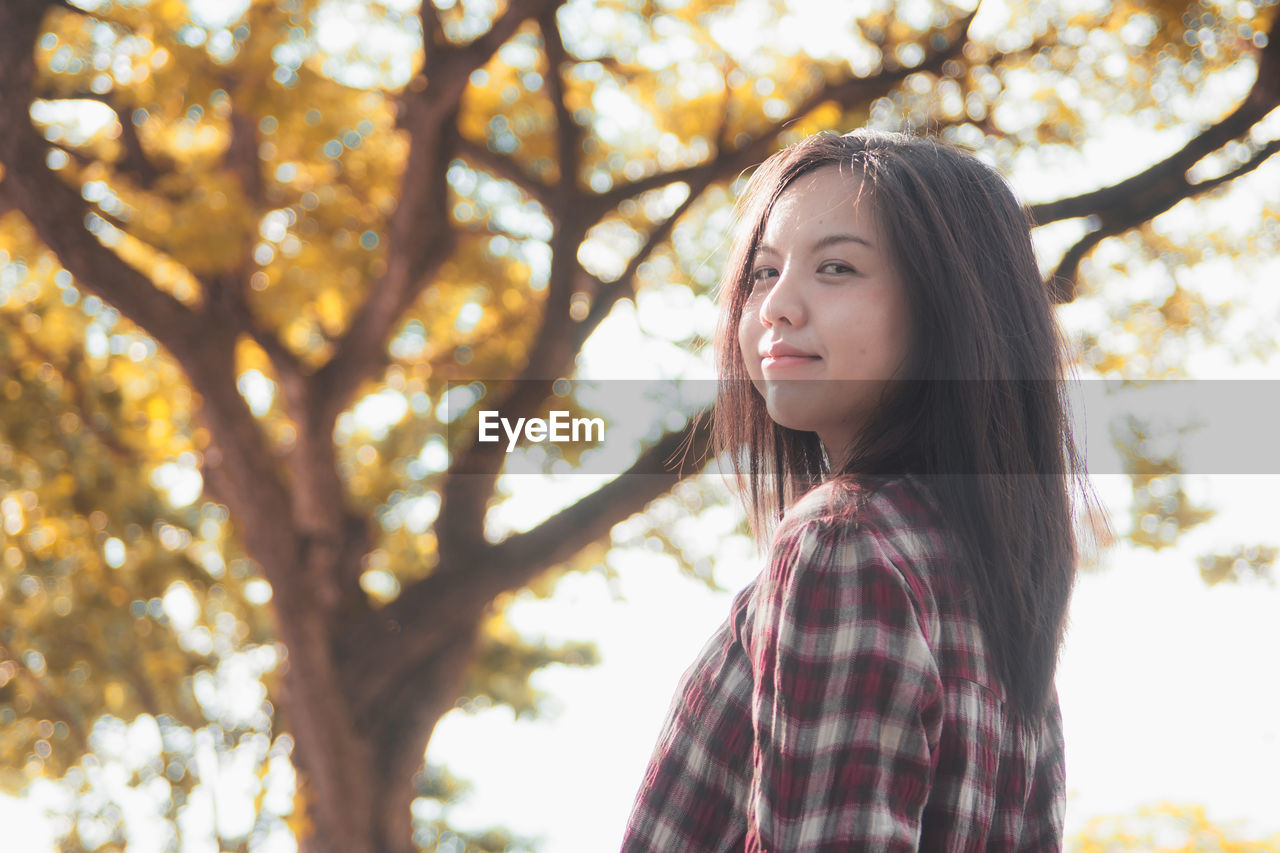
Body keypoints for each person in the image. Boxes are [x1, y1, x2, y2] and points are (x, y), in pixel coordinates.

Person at [620, 129, 1104, 851]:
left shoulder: (845, 542)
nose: (777, 306)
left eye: (837, 267)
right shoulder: (1007, 610)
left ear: (948, 307)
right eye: (762, 272)